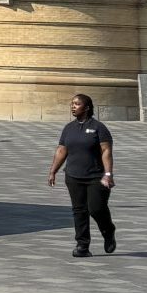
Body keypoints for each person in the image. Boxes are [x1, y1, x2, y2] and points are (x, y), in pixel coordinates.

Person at [44, 93, 116, 258]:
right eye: (72, 104)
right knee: (79, 211)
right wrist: (53, 171)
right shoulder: (69, 128)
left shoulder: (99, 128)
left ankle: (108, 230)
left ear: (87, 107)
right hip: (73, 176)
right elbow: (62, 150)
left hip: (96, 177)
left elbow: (106, 151)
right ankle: (82, 245)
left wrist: (108, 174)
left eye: (77, 104)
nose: (73, 106)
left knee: (96, 209)